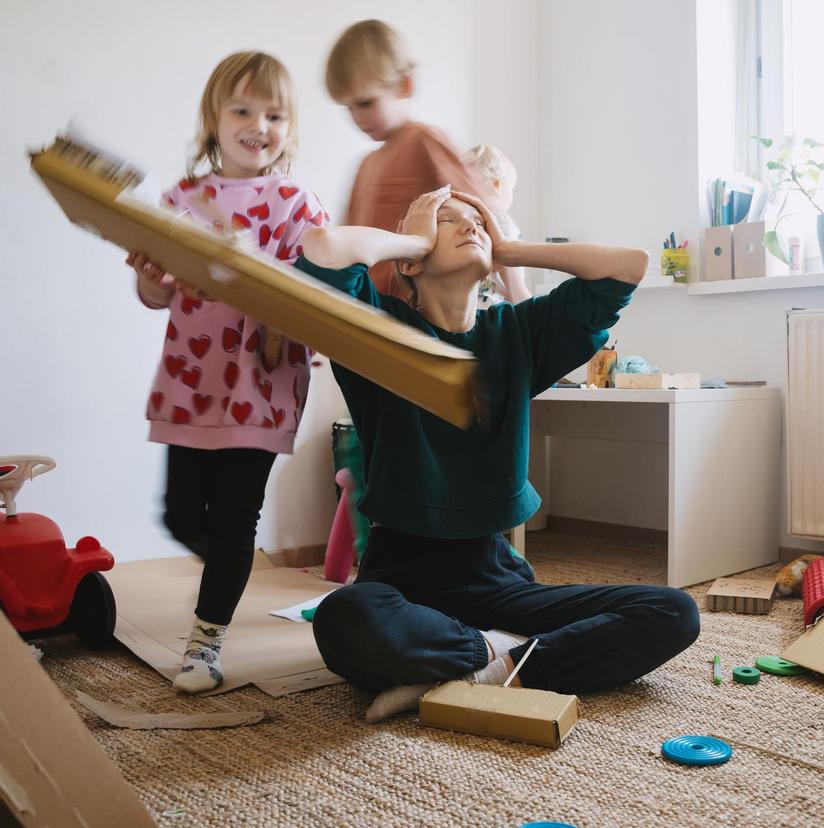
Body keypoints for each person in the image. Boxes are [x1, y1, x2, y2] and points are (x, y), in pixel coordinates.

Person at [294, 186, 701, 721]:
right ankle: (495, 654)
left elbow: (628, 266)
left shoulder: (518, 335)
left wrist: (509, 248)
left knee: (674, 611)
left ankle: (489, 668)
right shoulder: (377, 332)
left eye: (478, 221)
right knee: (344, 617)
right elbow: (323, 248)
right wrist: (409, 238)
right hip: (401, 584)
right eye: (449, 221)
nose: (471, 227)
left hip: (500, 584)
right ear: (412, 262)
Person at [127, 51, 328, 693]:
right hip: (191, 385)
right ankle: (233, 572)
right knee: (179, 513)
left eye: (275, 114)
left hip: (262, 386)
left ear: (290, 128)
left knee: (236, 515)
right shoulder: (179, 200)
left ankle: (205, 645)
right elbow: (158, 298)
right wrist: (148, 276)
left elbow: (320, 289)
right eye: (242, 109)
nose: (258, 125)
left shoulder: (297, 201)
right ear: (214, 120)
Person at [325, 19, 498, 301]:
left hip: (414, 309)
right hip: (369, 304)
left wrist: (514, 286)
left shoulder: (423, 140)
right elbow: (345, 238)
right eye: (349, 107)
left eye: (366, 103)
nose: (357, 117)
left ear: (404, 85)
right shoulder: (366, 164)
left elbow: (484, 211)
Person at [464, 143, 530, 306]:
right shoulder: (502, 223)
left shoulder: (465, 221)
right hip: (494, 309)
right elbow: (516, 292)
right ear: (498, 185)